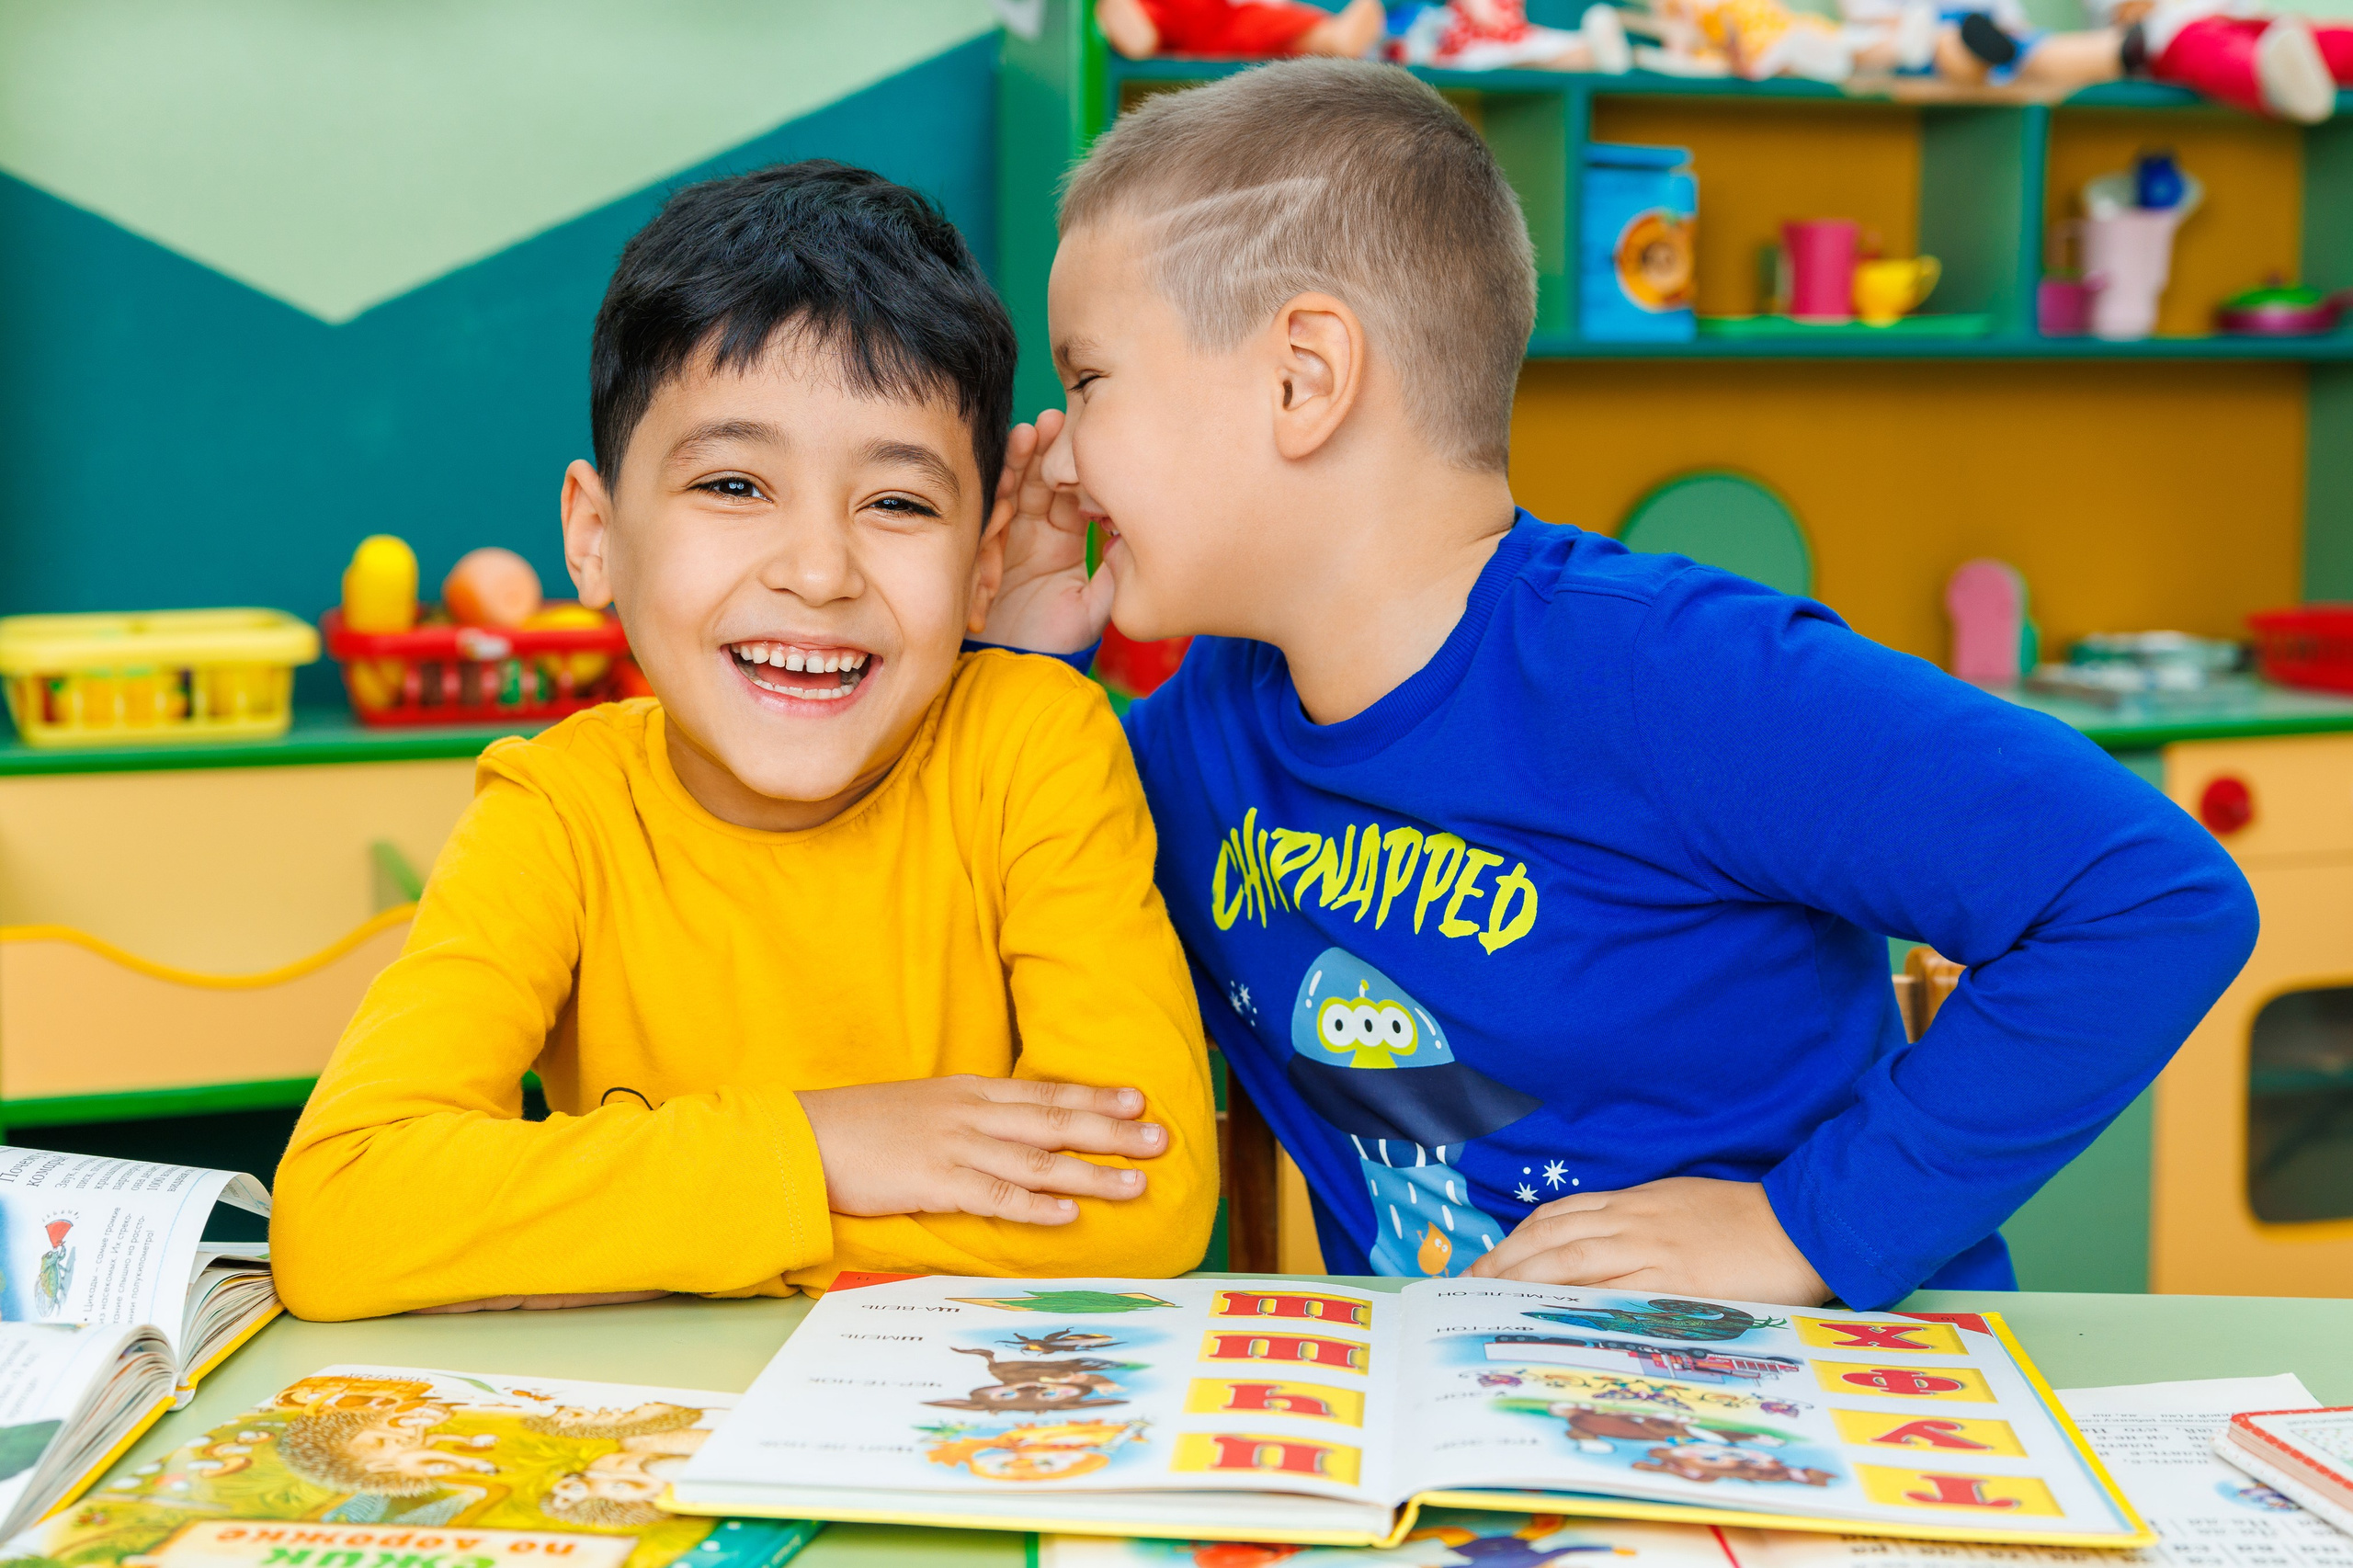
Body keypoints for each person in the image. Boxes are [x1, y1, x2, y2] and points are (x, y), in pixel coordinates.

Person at [979, 60, 2257, 1309]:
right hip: (1489, 1438)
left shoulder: (1674, 678)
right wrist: (1023, 670)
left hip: (1812, 1407)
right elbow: (1006, 911)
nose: (1060, 451)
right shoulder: (1202, 738)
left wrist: (1799, 1223)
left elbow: (2148, 896)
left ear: (1303, 378)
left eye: (1088, 379)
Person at [271, 161, 1217, 1321]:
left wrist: (599, 1237)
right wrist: (819, 1143)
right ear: (596, 537)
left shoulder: (1035, 745)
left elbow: (1142, 1196)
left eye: (899, 503)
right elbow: (344, 1214)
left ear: (982, 566)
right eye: (732, 482)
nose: (818, 570)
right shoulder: (555, 813)